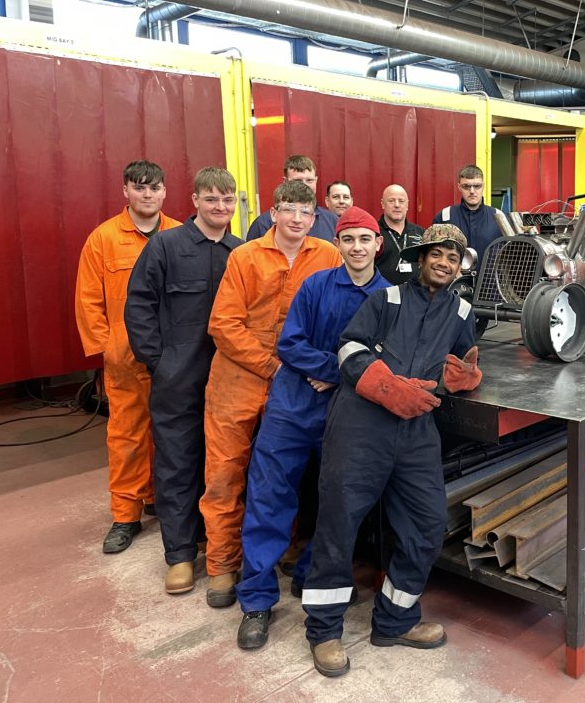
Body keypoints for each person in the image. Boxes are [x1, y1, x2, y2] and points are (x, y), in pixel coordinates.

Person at [301, 224, 482, 678]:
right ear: (421, 259)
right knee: (339, 524)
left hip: (416, 429)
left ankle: (395, 621)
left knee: (427, 522)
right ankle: (324, 631)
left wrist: (467, 376)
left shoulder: (461, 311)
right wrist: (385, 386)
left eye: (453, 258)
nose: (444, 263)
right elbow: (348, 348)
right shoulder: (386, 299)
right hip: (362, 422)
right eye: (437, 254)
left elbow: (467, 359)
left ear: (460, 268)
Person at [234, 207, 389, 649]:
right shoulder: (315, 286)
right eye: (349, 239)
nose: (357, 247)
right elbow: (288, 343)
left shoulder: (389, 299)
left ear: (378, 244)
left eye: (365, 239)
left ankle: (308, 577)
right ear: (337, 244)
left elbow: (386, 360)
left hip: (344, 414)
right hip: (291, 406)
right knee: (269, 498)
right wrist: (331, 367)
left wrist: (338, 374)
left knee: (332, 501)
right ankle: (257, 600)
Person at [200, 180, 340, 606]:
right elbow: (223, 324)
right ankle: (223, 564)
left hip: (299, 390)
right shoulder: (244, 257)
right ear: (273, 212)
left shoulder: (328, 256)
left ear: (315, 219)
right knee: (225, 473)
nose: (296, 219)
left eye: (305, 212)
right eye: (289, 209)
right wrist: (274, 365)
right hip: (238, 381)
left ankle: (283, 552)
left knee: (288, 478)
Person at [125, 167, 242, 592]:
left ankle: (219, 544)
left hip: (231, 381)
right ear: (194, 200)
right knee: (177, 462)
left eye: (227, 200)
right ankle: (179, 554)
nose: (220, 208)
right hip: (178, 377)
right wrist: (158, 362)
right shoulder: (165, 246)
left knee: (224, 465)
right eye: (211, 199)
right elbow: (138, 305)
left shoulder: (241, 251)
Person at [75, 160, 182, 554]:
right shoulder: (103, 239)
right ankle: (125, 514)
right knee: (127, 436)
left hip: (174, 358)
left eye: (154, 187)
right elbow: (88, 300)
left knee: (171, 433)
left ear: (165, 192)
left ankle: (158, 496)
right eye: (139, 188)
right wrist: (109, 347)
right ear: (125, 191)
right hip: (126, 361)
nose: (147, 194)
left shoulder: (179, 236)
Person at [246, 155, 339, 242]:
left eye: (309, 180)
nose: (304, 185)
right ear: (285, 181)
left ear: (316, 180)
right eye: (298, 181)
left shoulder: (332, 221)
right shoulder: (262, 224)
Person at [433, 164, 499, 268]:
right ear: (459, 187)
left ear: (483, 186)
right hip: (453, 283)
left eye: (477, 186)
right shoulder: (444, 217)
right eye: (466, 186)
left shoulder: (498, 218)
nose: (472, 191)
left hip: (489, 282)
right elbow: (434, 254)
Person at [375, 183, 424, 285]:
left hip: (416, 296)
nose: (397, 205)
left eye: (401, 201)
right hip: (383, 295)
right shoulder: (373, 232)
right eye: (391, 201)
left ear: (407, 205)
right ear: (383, 204)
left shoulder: (421, 233)